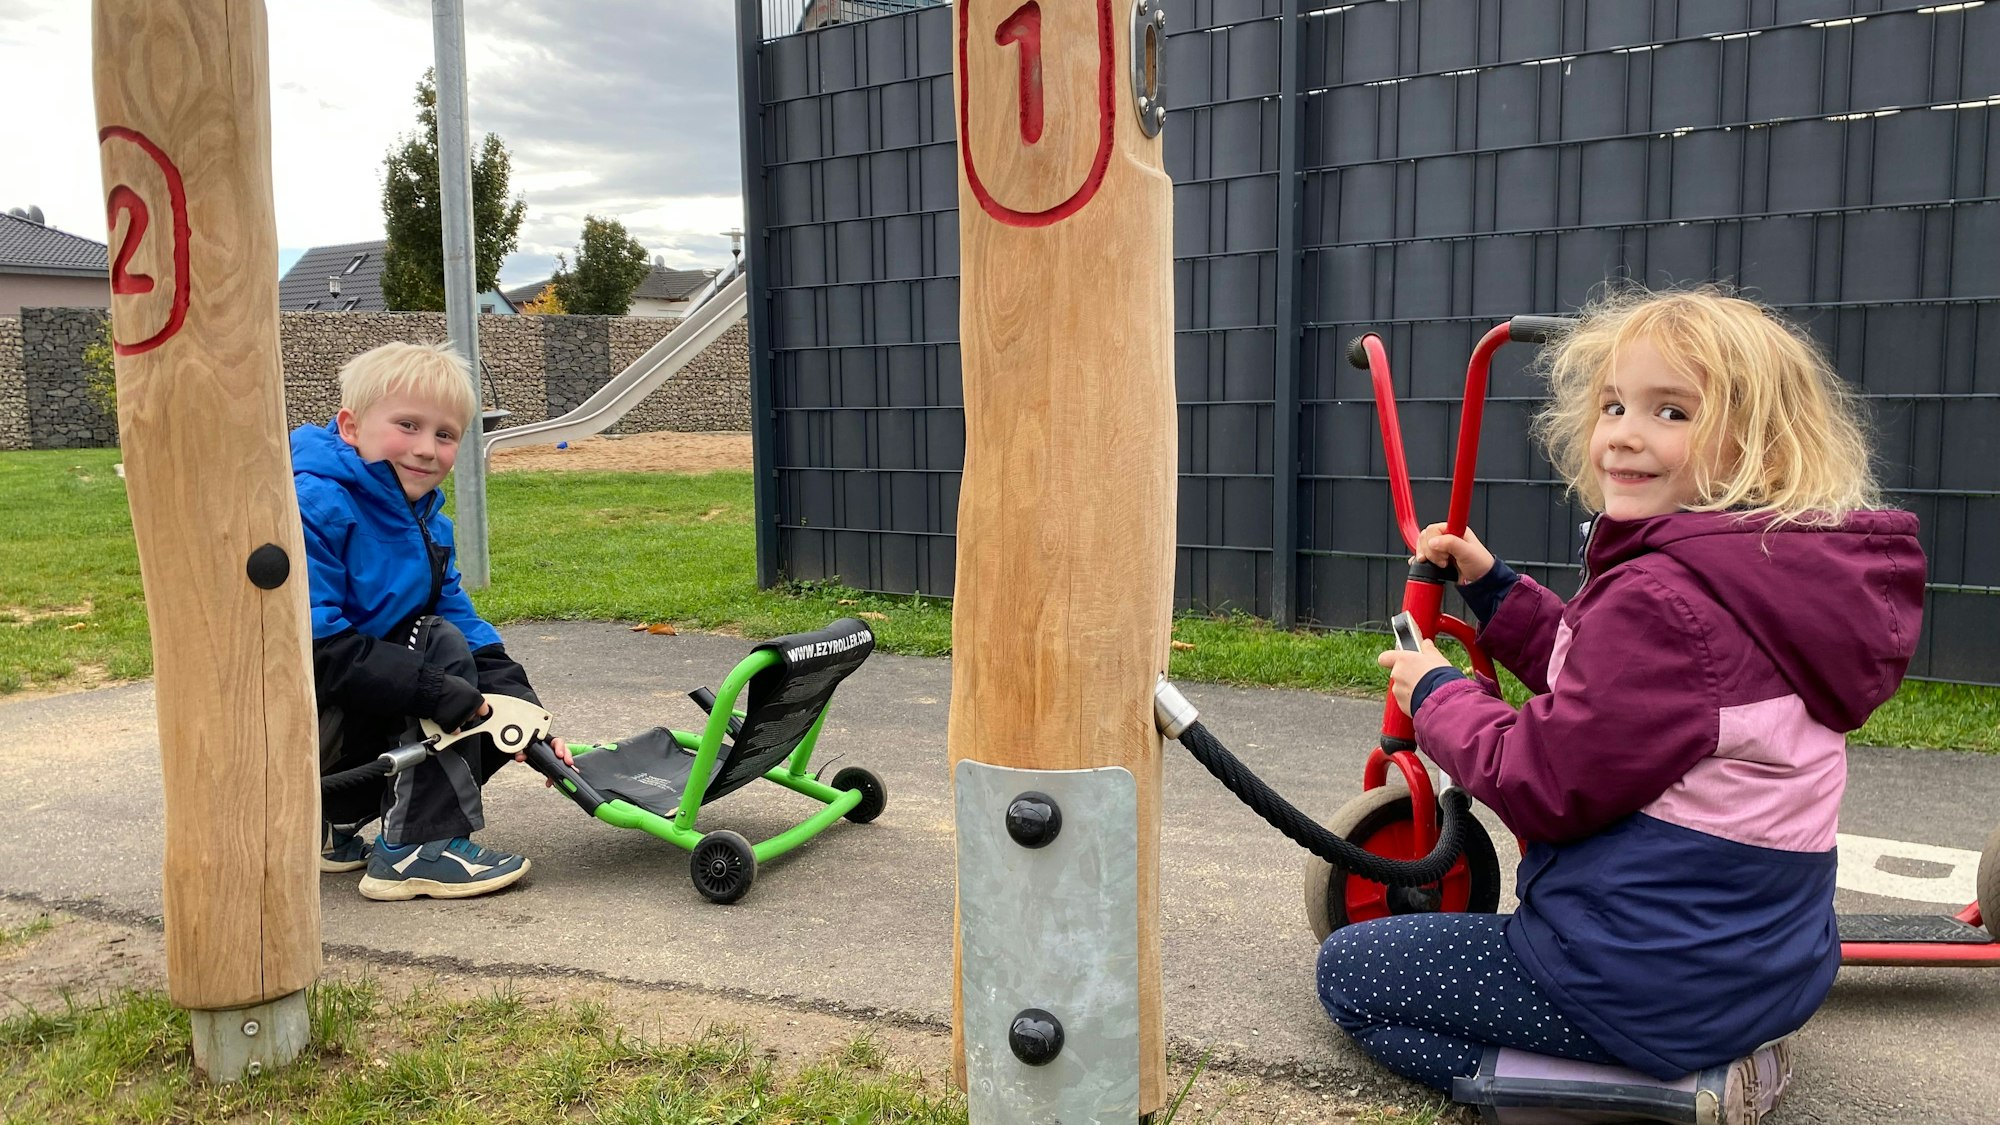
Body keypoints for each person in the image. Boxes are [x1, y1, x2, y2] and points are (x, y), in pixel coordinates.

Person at [1318, 287, 1927, 1122]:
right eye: (1613, 404)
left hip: (1637, 976)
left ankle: (1666, 1091)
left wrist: (1438, 696)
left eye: (1670, 411)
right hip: (1768, 968)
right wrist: (1496, 589)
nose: (1624, 433)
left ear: (1761, 448)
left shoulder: (1664, 600)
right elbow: (1618, 698)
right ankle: (1726, 1048)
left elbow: (1547, 780)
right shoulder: (1761, 582)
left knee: (1352, 976)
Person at [293, 340, 573, 902]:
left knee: (482, 703)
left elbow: (459, 615)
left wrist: (523, 713)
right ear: (351, 427)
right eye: (407, 426)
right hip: (297, 722)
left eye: (444, 435)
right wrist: (444, 693)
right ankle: (417, 850)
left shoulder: (423, 519)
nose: (426, 449)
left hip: (349, 717)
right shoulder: (313, 505)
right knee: (441, 657)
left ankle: (333, 827)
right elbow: (314, 650)